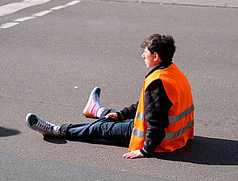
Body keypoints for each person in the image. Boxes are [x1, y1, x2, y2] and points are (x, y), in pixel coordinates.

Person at [26, 34, 194, 159]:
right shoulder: (173, 72)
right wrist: (120, 114)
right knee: (114, 118)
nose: (143, 56)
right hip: (178, 136)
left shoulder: (157, 83)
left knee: (100, 128)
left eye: (145, 53)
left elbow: (156, 123)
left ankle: (56, 130)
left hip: (160, 140)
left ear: (155, 56)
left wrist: (145, 150)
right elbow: (147, 106)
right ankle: (97, 110)